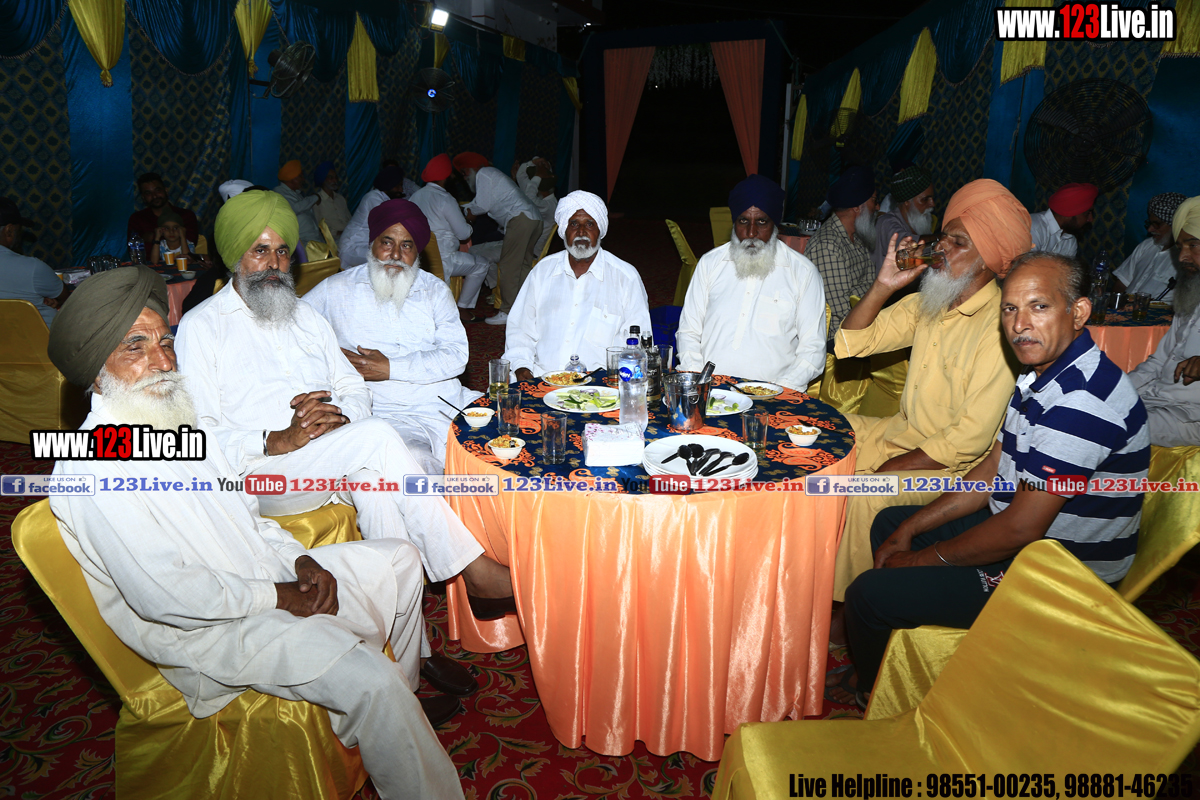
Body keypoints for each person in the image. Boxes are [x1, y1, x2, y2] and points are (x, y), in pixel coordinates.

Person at [45, 266, 467, 796]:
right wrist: (280, 595)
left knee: (401, 558)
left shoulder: (177, 427)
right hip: (211, 633)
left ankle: (395, 714)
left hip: (263, 578)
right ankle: (388, 710)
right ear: (94, 370)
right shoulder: (92, 467)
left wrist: (299, 560)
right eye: (136, 347)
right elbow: (168, 596)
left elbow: (250, 518)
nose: (163, 362)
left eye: (165, 342)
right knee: (371, 680)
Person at [176, 191, 517, 631]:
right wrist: (276, 439)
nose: (274, 264)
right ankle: (473, 570)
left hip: (326, 457)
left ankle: (403, 641)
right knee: (378, 436)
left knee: (378, 487)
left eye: (282, 251)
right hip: (259, 475)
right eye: (260, 250)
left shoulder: (303, 316)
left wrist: (339, 415)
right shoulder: (202, 327)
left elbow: (352, 387)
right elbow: (198, 438)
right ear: (233, 255)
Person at [836, 251, 1148, 706]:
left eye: (1039, 307)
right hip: (1030, 541)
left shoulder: (1082, 402)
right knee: (891, 525)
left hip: (1063, 577)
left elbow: (1021, 528)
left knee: (868, 594)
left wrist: (921, 561)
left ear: (1078, 312)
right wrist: (912, 527)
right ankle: (912, 659)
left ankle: (878, 697)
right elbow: (990, 473)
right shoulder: (1040, 375)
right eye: (1009, 309)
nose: (1019, 324)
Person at [830, 179, 1030, 608]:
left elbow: (966, 442)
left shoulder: (999, 329)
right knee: (823, 431)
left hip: (950, 470)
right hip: (900, 434)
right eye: (944, 237)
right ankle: (803, 566)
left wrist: (887, 467)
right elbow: (852, 343)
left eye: (958, 243)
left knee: (863, 494)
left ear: (989, 261)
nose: (940, 248)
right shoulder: (933, 300)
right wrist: (884, 285)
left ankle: (847, 609)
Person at [305, 199, 482, 474]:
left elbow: (457, 356)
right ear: (372, 244)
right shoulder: (336, 288)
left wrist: (390, 368)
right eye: (387, 243)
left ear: (417, 251)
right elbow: (291, 331)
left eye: (407, 245)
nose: (396, 255)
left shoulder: (435, 290)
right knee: (417, 464)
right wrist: (332, 358)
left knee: (513, 437)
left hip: (443, 403)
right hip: (386, 412)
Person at [676, 174, 826, 390]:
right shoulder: (710, 264)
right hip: (711, 391)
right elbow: (689, 331)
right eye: (743, 221)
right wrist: (698, 380)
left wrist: (778, 391)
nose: (751, 232)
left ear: (775, 224)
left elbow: (813, 350)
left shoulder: (803, 273)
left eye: (762, 222)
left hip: (774, 394)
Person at [503, 191, 651, 382]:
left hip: (599, 386)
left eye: (589, 224)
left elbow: (637, 348)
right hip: (541, 378)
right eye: (574, 224)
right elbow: (520, 328)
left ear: (600, 230)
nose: (581, 232)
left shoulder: (625, 277)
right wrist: (521, 367)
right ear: (564, 230)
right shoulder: (543, 271)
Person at [1128, 196, 1200, 446]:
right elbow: (1160, 360)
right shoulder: (1191, 294)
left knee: (1109, 425)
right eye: (1180, 247)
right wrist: (1116, 387)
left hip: (1191, 414)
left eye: (1193, 245)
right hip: (1157, 398)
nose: (1182, 257)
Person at [455, 152, 543, 327]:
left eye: (464, 172)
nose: (464, 178)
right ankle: (525, 308)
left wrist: (466, 212)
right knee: (522, 266)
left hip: (520, 220)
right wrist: (466, 209)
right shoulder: (492, 174)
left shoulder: (484, 174)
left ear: (472, 168)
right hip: (533, 219)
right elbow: (480, 202)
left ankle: (507, 311)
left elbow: (482, 205)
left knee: (509, 266)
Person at [409, 154, 493, 323]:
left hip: (418, 258)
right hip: (444, 259)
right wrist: (470, 221)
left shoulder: (414, 197)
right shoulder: (445, 199)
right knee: (482, 265)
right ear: (445, 177)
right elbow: (464, 234)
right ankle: (462, 309)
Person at [805, 166, 877, 339]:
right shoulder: (828, 245)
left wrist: (859, 293)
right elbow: (841, 313)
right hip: (838, 339)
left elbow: (872, 285)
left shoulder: (857, 237)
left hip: (860, 325)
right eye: (874, 200)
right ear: (858, 207)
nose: (877, 207)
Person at [0, 197, 66, 328]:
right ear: (9, 230)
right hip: (41, 340)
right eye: (18, 230)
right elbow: (63, 296)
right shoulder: (32, 268)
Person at [1112, 192, 1186, 300]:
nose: (1150, 229)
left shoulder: (1188, 257)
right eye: (1150, 223)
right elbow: (1121, 284)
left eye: (1157, 224)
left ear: (1175, 224)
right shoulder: (1147, 245)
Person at [340, 165, 407, 269]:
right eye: (398, 186)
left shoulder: (384, 199)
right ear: (389, 185)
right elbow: (391, 224)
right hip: (352, 248)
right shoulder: (373, 198)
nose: (401, 190)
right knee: (392, 258)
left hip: (364, 247)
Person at [873, 164, 934, 272]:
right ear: (907, 202)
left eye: (932, 198)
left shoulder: (921, 224)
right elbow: (908, 247)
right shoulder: (886, 223)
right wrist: (945, 238)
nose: (932, 204)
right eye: (925, 199)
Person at [126, 173, 199, 249]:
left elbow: (190, 243)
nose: (154, 196)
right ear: (143, 197)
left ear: (166, 190)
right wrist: (174, 237)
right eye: (148, 193)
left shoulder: (186, 215)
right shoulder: (137, 219)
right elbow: (135, 248)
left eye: (158, 190)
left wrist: (153, 237)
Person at [1029, 182, 1097, 258]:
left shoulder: (1070, 241)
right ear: (1069, 213)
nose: (1090, 219)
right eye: (1087, 213)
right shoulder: (1034, 229)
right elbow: (1025, 265)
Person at [273, 160, 321, 247]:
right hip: (302, 242)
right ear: (292, 179)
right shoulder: (279, 193)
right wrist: (315, 197)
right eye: (300, 176)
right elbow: (295, 208)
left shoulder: (295, 193)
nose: (303, 179)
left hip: (314, 239)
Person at [312, 161, 351, 240]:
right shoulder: (317, 201)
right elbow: (318, 227)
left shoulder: (340, 198)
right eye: (331, 178)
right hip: (333, 240)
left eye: (335, 177)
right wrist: (337, 233)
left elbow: (350, 219)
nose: (335, 180)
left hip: (350, 235)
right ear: (323, 180)